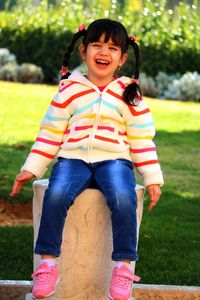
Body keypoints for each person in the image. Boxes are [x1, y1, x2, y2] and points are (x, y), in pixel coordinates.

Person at [11, 19, 164, 300]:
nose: (103, 52)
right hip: (72, 159)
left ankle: (123, 267)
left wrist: (152, 179)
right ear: (83, 52)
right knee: (55, 194)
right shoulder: (69, 89)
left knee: (122, 195)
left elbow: (142, 140)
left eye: (112, 47)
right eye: (97, 45)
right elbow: (50, 133)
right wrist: (30, 169)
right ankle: (47, 264)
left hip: (115, 161)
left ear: (122, 58)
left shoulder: (129, 93)